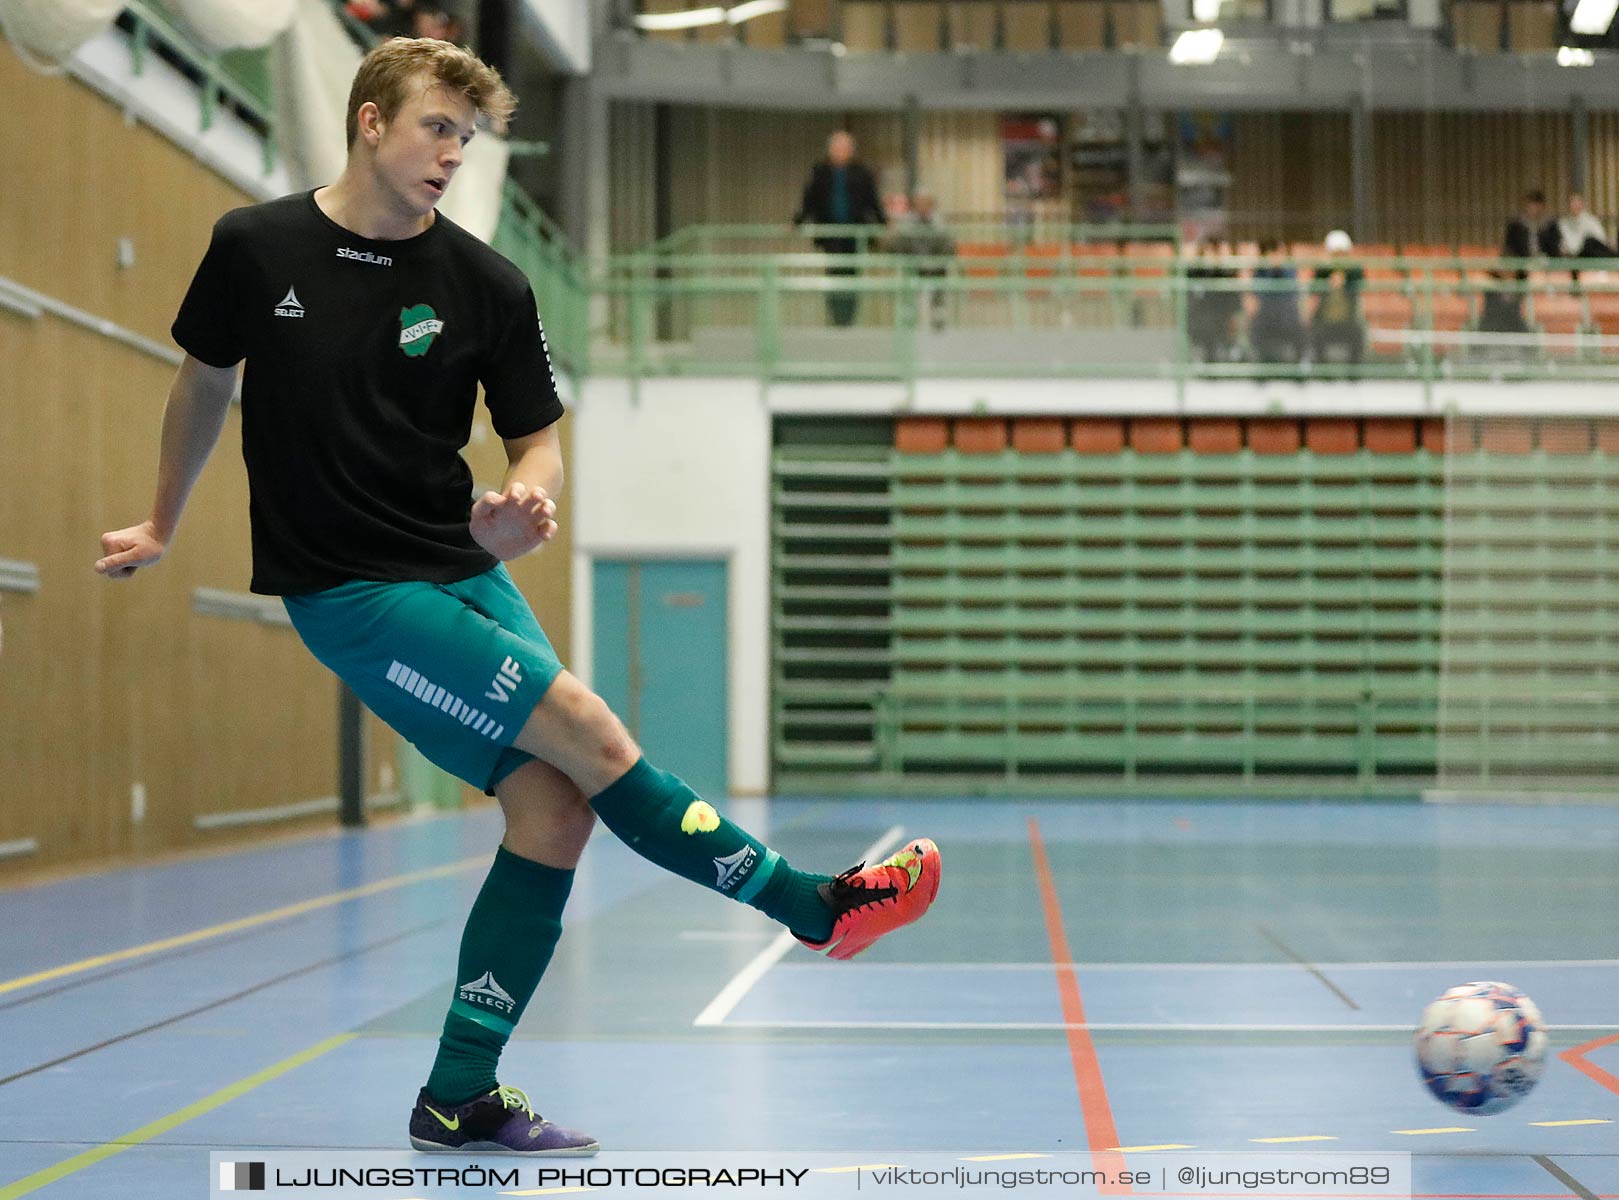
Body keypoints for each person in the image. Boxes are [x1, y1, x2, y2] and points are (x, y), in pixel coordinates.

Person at [95, 37, 941, 1158]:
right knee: (589, 731)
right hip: (350, 589)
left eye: (465, 135)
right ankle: (810, 909)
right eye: (435, 128)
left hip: (460, 565)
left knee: (554, 807)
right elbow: (205, 381)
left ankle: (459, 1095)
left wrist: (520, 504)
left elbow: (538, 442)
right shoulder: (256, 248)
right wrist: (163, 519)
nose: (452, 153)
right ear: (368, 120)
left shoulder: (486, 283)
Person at [793, 131, 885, 327]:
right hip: (830, 233)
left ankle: (849, 319)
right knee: (834, 274)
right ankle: (836, 318)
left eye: (844, 148)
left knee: (852, 275)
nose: (840, 152)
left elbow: (872, 201)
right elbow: (809, 200)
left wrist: (882, 222)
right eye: (836, 148)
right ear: (830, 150)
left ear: (850, 151)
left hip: (855, 233)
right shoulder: (820, 172)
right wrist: (798, 220)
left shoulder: (861, 173)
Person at [890, 188, 954, 332]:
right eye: (920, 203)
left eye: (926, 203)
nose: (923, 206)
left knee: (940, 279)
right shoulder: (906, 223)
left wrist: (935, 260)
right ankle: (908, 319)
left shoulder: (940, 223)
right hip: (913, 265)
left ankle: (938, 317)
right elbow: (900, 244)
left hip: (936, 266)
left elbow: (947, 245)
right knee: (909, 285)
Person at [1310, 229, 1365, 366]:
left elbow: (1360, 286)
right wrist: (1327, 282)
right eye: (1336, 253)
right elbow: (1312, 289)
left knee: (1358, 333)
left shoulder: (1355, 271)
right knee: (1314, 332)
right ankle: (1323, 373)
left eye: (1342, 253)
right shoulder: (1322, 270)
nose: (1339, 257)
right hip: (1325, 322)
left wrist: (1345, 282)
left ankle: (1353, 374)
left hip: (1348, 322)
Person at [1247, 239, 1305, 365]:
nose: (1276, 257)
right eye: (1273, 254)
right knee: (1256, 329)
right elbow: (1257, 294)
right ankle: (1262, 366)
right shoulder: (1260, 272)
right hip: (1266, 316)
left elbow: (1293, 293)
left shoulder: (1289, 271)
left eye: (1279, 253)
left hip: (1286, 316)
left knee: (1299, 329)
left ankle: (1298, 368)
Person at [1503, 189, 1559, 265]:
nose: (1535, 209)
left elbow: (1555, 251)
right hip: (1521, 267)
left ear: (1543, 207)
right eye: (1531, 205)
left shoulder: (1551, 226)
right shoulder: (1515, 227)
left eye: (1538, 205)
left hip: (1546, 266)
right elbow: (1509, 249)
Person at [1557, 193, 1613, 258]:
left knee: (1590, 242)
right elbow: (1563, 245)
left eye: (1577, 203)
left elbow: (1601, 241)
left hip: (1592, 255)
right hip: (1573, 257)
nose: (1574, 206)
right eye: (1572, 203)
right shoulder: (1562, 223)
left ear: (1582, 204)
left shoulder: (1591, 221)